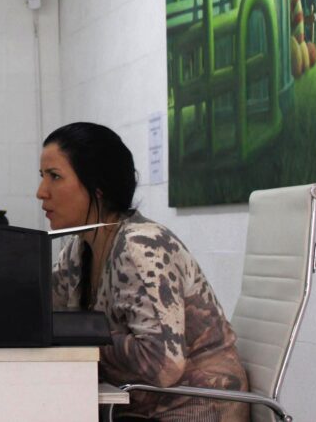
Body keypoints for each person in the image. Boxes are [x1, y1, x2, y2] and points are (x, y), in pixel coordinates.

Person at [39, 122, 249, 421]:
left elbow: (162, 364)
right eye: (42, 177)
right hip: (135, 406)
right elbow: (42, 314)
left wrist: (83, 335)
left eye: (55, 176)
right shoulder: (78, 249)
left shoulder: (140, 246)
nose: (41, 192)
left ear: (97, 187)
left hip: (195, 407)